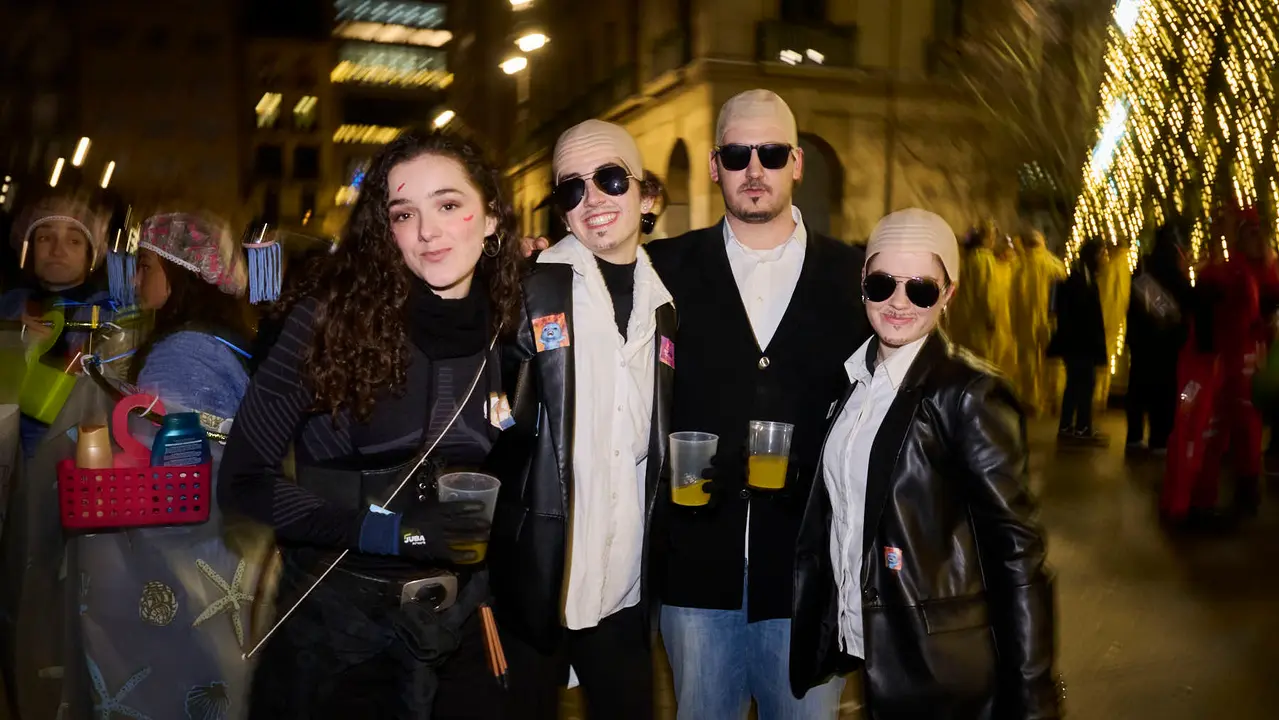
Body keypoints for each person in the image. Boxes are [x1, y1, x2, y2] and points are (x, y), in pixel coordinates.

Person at [218, 129, 524, 719]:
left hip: (462, 624)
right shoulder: (328, 322)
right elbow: (243, 482)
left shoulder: (512, 317)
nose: (428, 231)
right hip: (339, 630)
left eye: (450, 205)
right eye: (404, 213)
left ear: (491, 219)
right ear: (386, 230)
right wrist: (394, 532)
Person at [647, 90, 867, 718]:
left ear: (796, 162)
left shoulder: (854, 279)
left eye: (770, 153)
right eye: (738, 153)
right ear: (715, 165)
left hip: (805, 577)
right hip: (695, 576)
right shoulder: (662, 269)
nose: (754, 169)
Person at [790, 208, 1060, 719]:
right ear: (862, 282)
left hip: (941, 670)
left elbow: (1018, 553)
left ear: (949, 293)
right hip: (874, 652)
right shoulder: (853, 380)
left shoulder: (970, 394)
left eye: (920, 289)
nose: (897, 303)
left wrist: (1034, 696)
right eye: (882, 283)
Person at [487, 120, 673, 719]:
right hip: (538, 581)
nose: (592, 199)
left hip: (623, 586)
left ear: (647, 197)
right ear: (561, 211)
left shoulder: (666, 308)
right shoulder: (527, 292)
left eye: (611, 179)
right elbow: (486, 433)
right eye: (572, 189)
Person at [74, 211, 263, 718]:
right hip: (219, 546)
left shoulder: (181, 352)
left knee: (171, 682)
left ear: (181, 272)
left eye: (148, 267)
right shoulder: (222, 338)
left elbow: (167, 466)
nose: (137, 279)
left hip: (178, 559)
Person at [1, 188, 114, 452]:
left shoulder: (106, 313)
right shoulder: (10, 305)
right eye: (44, 238)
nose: (57, 250)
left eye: (73, 241)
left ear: (91, 253)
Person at [1125, 224, 1192, 453]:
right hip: (1166, 342)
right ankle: (1159, 438)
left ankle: (1133, 436)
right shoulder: (1174, 269)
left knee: (1137, 389)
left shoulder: (1144, 266)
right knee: (1164, 392)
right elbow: (1187, 300)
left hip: (1141, 340)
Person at [1048, 237, 1109, 444]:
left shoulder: (1085, 278)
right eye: (1102, 254)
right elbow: (1082, 316)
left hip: (1081, 345)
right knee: (1080, 385)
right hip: (1080, 345)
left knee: (1078, 385)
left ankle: (1076, 426)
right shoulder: (1079, 281)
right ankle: (1078, 427)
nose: (1104, 259)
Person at [1013, 230, 1067, 416]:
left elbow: (1013, 299)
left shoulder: (1020, 267)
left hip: (1025, 324)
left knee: (1029, 362)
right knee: (1053, 362)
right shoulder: (1055, 266)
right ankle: (1055, 398)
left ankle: (1032, 400)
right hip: (1050, 321)